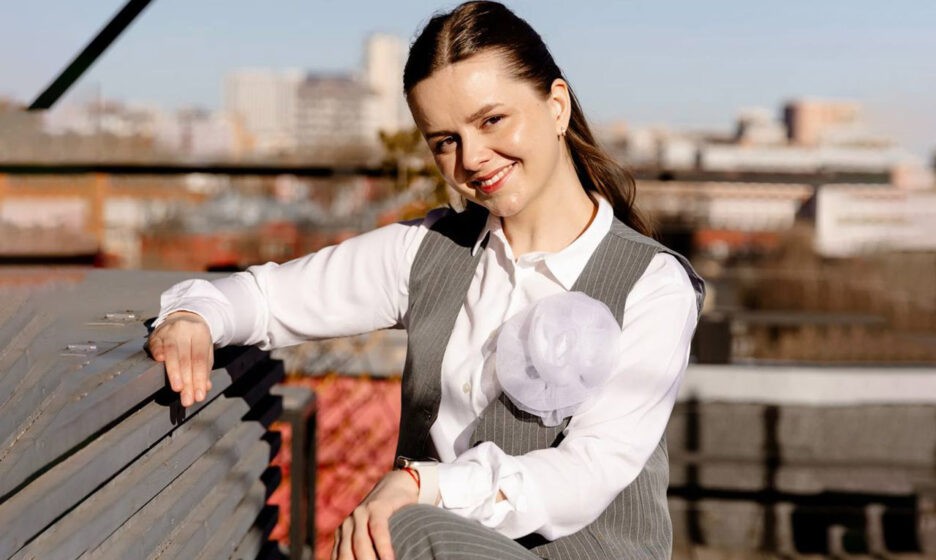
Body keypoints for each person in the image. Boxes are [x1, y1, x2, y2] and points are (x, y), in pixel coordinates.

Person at [149, 2, 704, 559]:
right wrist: (194, 317)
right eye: (445, 141)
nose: (474, 158)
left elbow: (588, 471)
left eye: (491, 120)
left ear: (556, 106)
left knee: (403, 530)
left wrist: (424, 485)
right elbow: (266, 299)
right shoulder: (428, 252)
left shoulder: (653, 284)